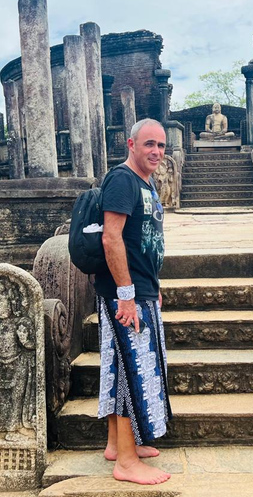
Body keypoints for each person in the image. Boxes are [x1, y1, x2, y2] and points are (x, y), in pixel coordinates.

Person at [94, 118, 172, 485]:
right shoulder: (123, 179)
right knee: (131, 373)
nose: (156, 151)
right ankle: (125, 462)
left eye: (161, 145)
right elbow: (112, 238)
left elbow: (143, 239)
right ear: (131, 144)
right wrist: (126, 295)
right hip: (125, 296)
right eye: (149, 144)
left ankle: (116, 444)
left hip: (140, 289)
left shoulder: (145, 181)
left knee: (118, 367)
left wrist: (150, 284)